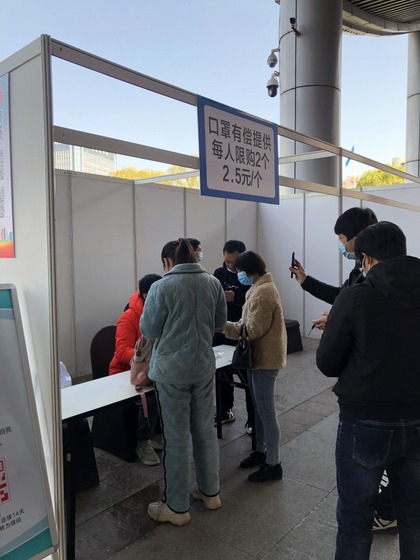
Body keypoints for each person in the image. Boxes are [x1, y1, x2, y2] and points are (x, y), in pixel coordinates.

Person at [316, 221, 420, 560]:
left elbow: (328, 363)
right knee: (415, 516)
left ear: (367, 258)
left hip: (365, 421)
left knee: (355, 518)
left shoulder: (355, 296)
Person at [289, 206, 397, 530]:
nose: (341, 245)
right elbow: (343, 299)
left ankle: (387, 511)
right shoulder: (362, 273)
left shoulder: (378, 278)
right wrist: (308, 283)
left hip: (373, 384)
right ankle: (384, 505)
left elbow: (359, 318)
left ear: (358, 240)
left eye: (342, 239)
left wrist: (338, 323)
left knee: (380, 455)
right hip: (373, 384)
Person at [140, 238, 226, 526]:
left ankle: (177, 508)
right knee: (204, 431)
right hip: (203, 366)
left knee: (176, 439)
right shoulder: (212, 282)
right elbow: (219, 322)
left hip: (172, 373)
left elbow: (149, 328)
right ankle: (210, 492)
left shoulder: (161, 286)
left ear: (168, 262)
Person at [224, 251, 287, 482]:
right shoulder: (258, 288)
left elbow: (251, 330)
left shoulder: (264, 292)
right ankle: (260, 452)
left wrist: (223, 326)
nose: (237, 273)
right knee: (260, 411)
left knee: (267, 413)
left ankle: (274, 464)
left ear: (249, 270)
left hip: (264, 360)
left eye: (238, 269)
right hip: (258, 359)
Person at [109, 274, 162, 466]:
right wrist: (146, 356)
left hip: (150, 371)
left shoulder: (158, 314)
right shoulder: (129, 317)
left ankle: (156, 434)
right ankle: (143, 441)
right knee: (150, 397)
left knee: (171, 389)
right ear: (147, 295)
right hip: (126, 374)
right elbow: (122, 352)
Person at [213, 240, 255, 433]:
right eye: (227, 261)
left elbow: (254, 304)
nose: (230, 265)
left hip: (242, 333)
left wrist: (235, 298)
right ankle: (225, 411)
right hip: (221, 332)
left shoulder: (250, 278)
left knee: (248, 377)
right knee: (222, 375)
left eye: (234, 261)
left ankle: (253, 419)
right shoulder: (219, 274)